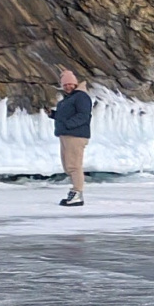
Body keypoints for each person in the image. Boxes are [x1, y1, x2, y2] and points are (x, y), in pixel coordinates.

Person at [50, 70, 93, 207]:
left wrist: (68, 125)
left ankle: (77, 193)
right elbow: (65, 116)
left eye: (70, 84)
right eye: (65, 85)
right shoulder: (70, 98)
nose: (67, 87)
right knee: (69, 165)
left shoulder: (81, 97)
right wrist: (53, 114)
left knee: (74, 166)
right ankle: (75, 192)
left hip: (75, 135)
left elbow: (84, 115)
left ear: (75, 83)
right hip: (67, 135)